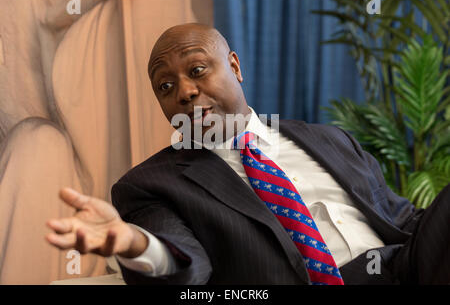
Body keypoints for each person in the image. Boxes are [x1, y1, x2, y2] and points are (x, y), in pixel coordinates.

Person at [46, 23, 450, 285]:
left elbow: (405, 221)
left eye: (197, 70)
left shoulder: (329, 138)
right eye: (165, 87)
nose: (184, 91)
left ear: (235, 66)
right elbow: (187, 268)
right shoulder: (151, 184)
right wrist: (135, 243)